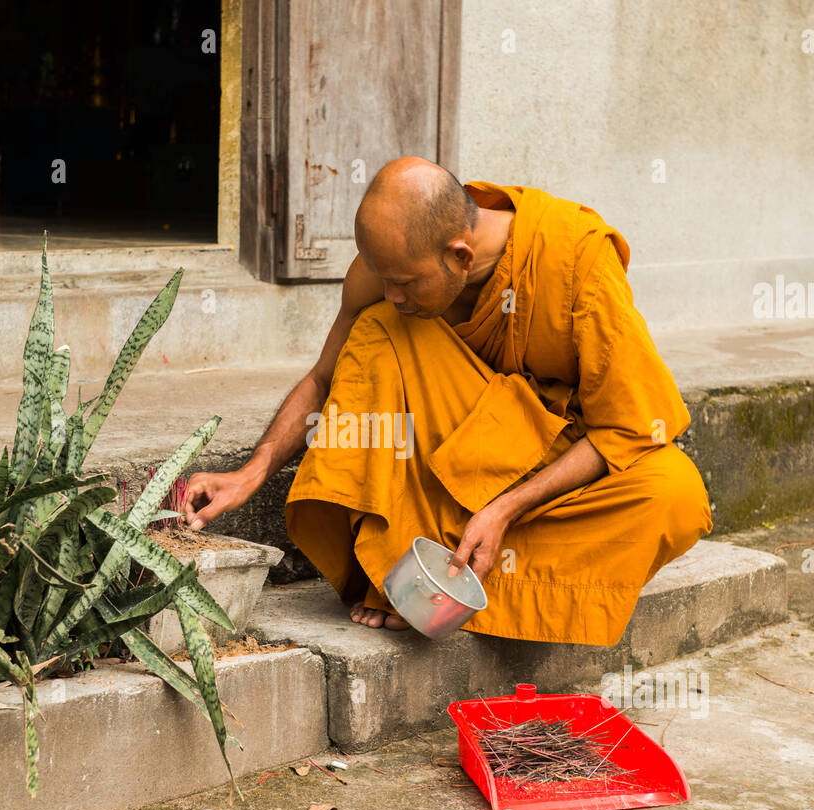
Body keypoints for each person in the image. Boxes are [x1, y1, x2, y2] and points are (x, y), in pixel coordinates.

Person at [182, 156, 712, 645]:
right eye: (384, 277)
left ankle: (439, 590)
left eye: (406, 282)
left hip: (548, 464)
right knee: (376, 333)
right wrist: (252, 472)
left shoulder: (575, 260)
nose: (392, 293)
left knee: (677, 492)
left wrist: (506, 507)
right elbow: (324, 380)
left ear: (460, 255)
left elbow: (630, 426)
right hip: (450, 460)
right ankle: (412, 573)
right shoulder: (386, 272)